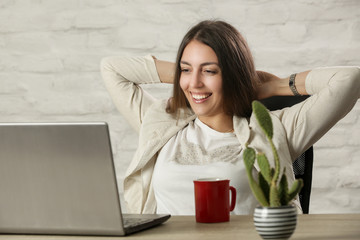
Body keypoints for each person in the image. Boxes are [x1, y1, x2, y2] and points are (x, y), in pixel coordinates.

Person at [101, 20, 360, 215]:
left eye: (210, 71)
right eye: (186, 70)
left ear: (233, 74)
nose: (194, 84)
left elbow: (350, 80)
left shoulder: (273, 130)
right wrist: (192, 73)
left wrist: (274, 85)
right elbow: (112, 68)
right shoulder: (162, 123)